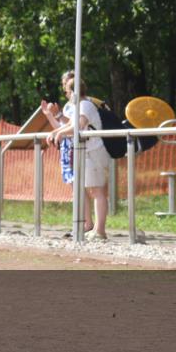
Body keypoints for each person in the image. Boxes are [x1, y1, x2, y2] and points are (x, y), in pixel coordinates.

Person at [46, 71, 110, 241]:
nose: (66, 95)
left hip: (94, 151)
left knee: (97, 191)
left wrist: (59, 133)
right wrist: (55, 132)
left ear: (74, 92)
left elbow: (78, 125)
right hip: (87, 151)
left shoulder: (85, 105)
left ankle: (100, 230)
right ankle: (95, 229)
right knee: (93, 190)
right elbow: (69, 125)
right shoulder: (79, 106)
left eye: (67, 91)